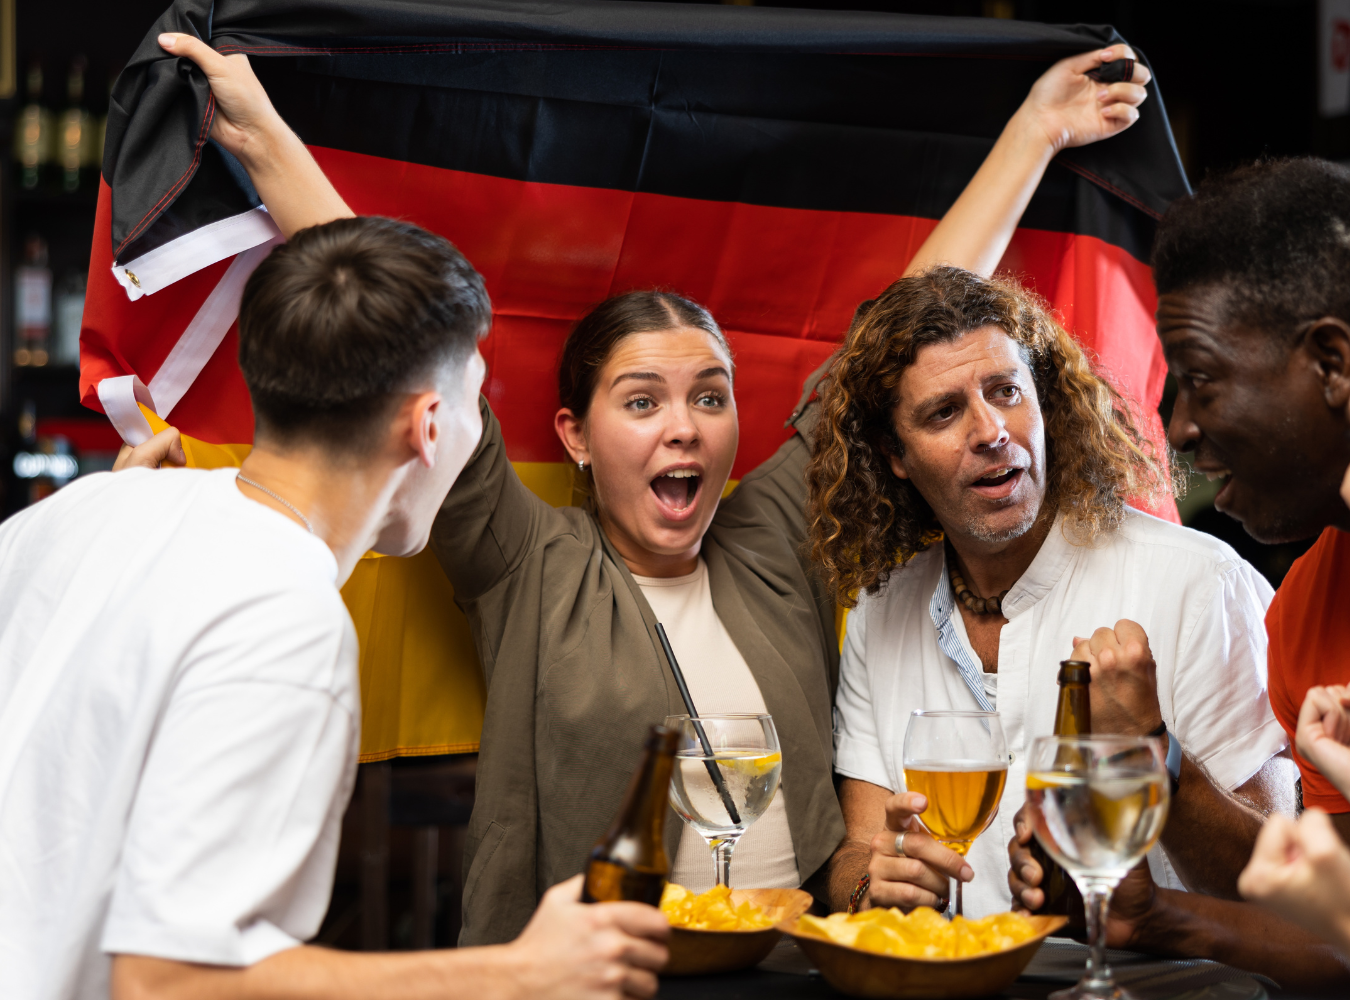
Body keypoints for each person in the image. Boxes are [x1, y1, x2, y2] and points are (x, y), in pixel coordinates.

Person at [155, 30, 1155, 945]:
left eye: (709, 395)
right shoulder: (529, 559)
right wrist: (265, 139)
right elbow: (394, 332)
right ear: (574, 439)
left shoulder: (773, 532)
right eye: (643, 402)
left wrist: (1035, 132)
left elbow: (899, 333)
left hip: (790, 974)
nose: (684, 424)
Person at [0, 213, 672, 998]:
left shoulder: (77, 512)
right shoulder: (286, 617)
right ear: (428, 426)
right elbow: (168, 981)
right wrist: (520, 972)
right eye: (472, 400)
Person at [808, 264, 1293, 919]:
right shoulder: (880, 606)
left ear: (1046, 402)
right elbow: (856, 858)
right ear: (895, 454)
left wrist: (1153, 752)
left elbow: (1278, 886)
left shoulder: (1199, 584)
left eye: (1006, 391)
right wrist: (872, 884)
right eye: (945, 412)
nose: (990, 430)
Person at [1005, 157, 1350, 993]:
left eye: (1200, 380)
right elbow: (1336, 933)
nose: (1181, 429)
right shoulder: (1304, 609)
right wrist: (1154, 915)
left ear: (1332, 362)